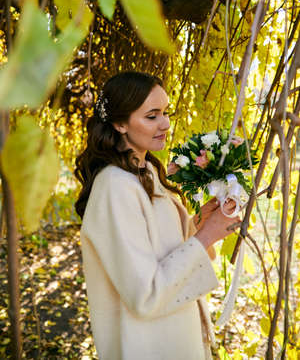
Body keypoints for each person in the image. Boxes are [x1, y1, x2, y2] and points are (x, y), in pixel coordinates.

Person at [75, 71, 240, 360]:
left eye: (165, 112)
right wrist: (205, 237)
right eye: (152, 116)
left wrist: (196, 224)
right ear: (119, 123)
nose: (165, 123)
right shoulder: (115, 187)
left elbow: (157, 252)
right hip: (147, 345)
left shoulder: (146, 171)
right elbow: (145, 294)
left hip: (174, 335)